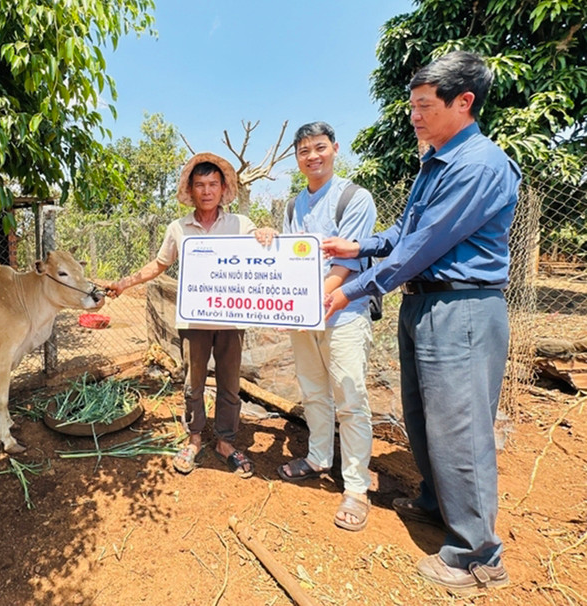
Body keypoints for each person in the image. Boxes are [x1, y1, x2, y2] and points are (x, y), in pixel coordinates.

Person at [321, 51, 521, 594]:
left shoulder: (479, 165)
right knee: (424, 415)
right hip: (425, 305)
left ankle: (477, 556)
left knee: (461, 428)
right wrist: (361, 244)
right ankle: (437, 501)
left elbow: (421, 248)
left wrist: (353, 287)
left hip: (462, 308)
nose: (414, 115)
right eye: (411, 105)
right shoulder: (438, 159)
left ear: (464, 103)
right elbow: (408, 231)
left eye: (424, 105)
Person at [109, 152, 276, 478]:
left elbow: (263, 251)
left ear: (223, 187)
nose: (207, 191)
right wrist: (125, 283)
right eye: (200, 185)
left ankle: (226, 441)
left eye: (213, 183)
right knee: (193, 383)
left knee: (229, 384)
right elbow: (159, 264)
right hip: (194, 321)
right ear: (191, 190)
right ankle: (195, 437)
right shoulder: (178, 228)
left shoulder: (241, 224)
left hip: (231, 320)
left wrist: (266, 233)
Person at [273, 122, 377, 533]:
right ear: (296, 158)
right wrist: (286, 306)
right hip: (305, 315)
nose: (312, 156)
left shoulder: (354, 198)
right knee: (313, 391)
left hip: (343, 313)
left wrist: (309, 303)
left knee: (350, 397)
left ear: (335, 149)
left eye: (319, 147)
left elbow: (345, 264)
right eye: (303, 151)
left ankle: (355, 487)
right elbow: (286, 258)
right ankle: (318, 457)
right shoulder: (293, 204)